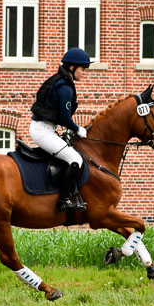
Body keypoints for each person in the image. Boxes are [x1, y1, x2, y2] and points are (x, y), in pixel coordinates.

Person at [30, 47, 91, 212]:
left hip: (45, 128)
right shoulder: (65, 87)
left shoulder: (60, 80)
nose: (84, 73)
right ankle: (64, 201)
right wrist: (78, 129)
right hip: (43, 131)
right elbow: (65, 118)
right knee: (75, 160)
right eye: (82, 69)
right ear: (72, 68)